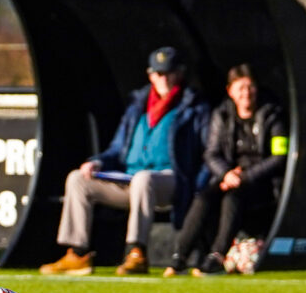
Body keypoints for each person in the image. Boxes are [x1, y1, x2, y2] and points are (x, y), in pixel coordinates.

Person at [39, 47, 211, 276]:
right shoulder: (137, 107)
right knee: (77, 179)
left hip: (170, 180)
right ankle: (78, 253)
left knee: (144, 179)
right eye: (159, 73)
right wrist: (98, 162)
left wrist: (199, 185)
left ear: (179, 73)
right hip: (129, 180)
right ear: (150, 75)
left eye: (169, 72)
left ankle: (136, 252)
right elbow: (117, 149)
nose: (164, 79)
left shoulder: (194, 108)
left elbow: (206, 150)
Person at [164, 63, 288, 277]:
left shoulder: (272, 115)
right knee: (203, 197)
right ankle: (180, 256)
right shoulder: (222, 115)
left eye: (250, 87)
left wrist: (246, 176)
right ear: (230, 91)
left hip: (260, 184)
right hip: (228, 178)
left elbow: (279, 158)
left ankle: (217, 256)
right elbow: (211, 153)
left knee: (233, 197)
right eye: (240, 88)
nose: (246, 94)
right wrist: (226, 174)